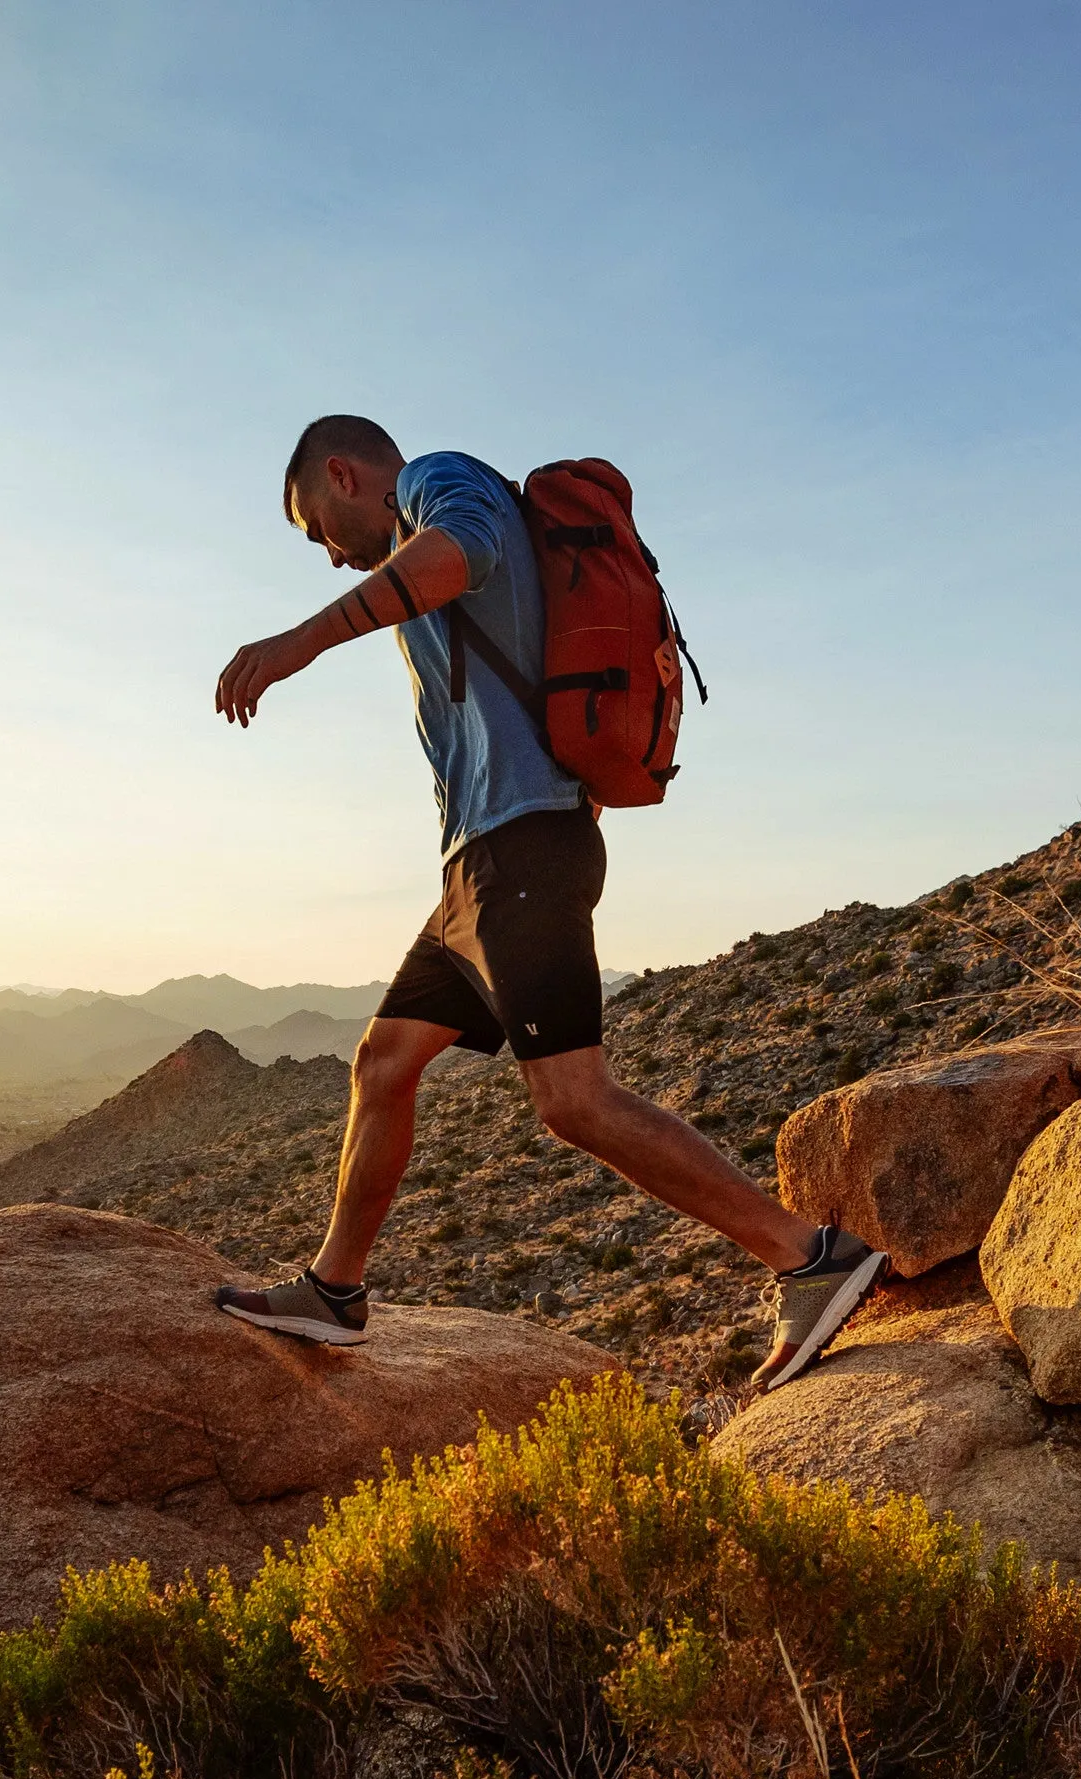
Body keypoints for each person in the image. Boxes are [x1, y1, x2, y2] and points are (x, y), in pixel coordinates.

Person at [210, 415, 883, 1393]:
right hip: (476, 866)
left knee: (572, 1098)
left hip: (524, 845)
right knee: (382, 1062)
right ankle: (335, 1289)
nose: (327, 557)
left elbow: (460, 554)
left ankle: (808, 1257)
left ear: (345, 475)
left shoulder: (438, 482)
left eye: (319, 529)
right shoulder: (411, 514)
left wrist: (298, 643)